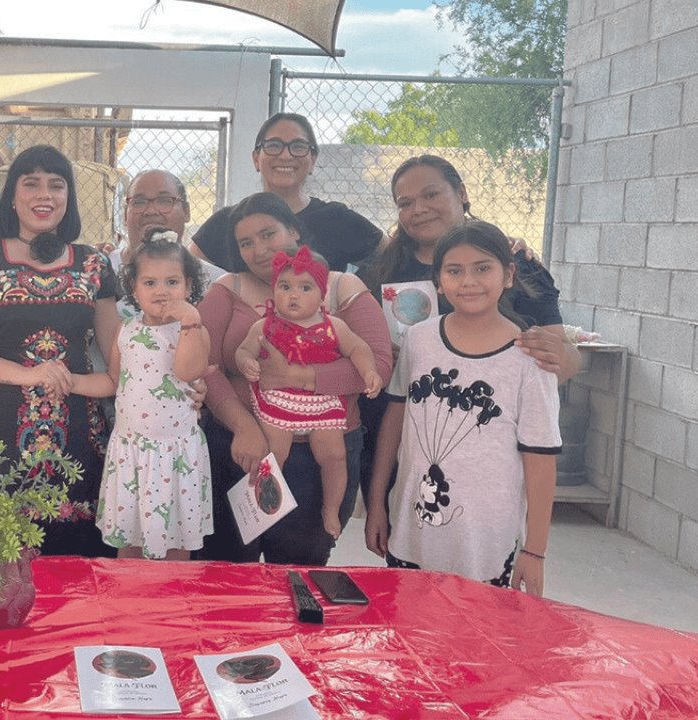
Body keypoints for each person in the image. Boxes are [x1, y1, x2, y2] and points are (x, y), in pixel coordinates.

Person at [357, 154, 579, 507]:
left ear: (460, 192)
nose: (419, 209)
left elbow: (562, 363)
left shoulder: (517, 264)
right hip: (404, 443)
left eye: (431, 195)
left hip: (488, 452)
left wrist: (562, 356)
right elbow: (348, 345)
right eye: (406, 203)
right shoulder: (380, 272)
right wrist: (379, 358)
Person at [364, 221, 560, 596]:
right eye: (455, 270)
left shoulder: (530, 359)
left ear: (508, 274)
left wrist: (535, 550)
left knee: (472, 643)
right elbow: (393, 425)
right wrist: (377, 503)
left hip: (485, 546)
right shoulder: (420, 340)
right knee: (409, 633)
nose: (468, 281)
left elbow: (540, 459)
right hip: (411, 532)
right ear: (438, 281)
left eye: (482, 268)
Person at [0, 144, 119, 558]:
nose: (45, 195)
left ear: (69, 198)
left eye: (57, 185)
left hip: (78, 439)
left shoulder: (93, 265)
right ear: (13, 196)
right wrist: (30, 374)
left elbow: (119, 352)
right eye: (32, 184)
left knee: (75, 579)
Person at [198, 192, 392, 565]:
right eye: (246, 243)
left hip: (321, 455)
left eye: (268, 234)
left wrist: (299, 376)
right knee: (228, 568)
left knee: (298, 573)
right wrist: (244, 427)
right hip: (242, 449)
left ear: (294, 231)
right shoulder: (228, 289)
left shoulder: (339, 288)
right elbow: (206, 366)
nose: (259, 249)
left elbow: (378, 365)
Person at [235, 246, 382, 539]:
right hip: (280, 397)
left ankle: (331, 508)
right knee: (275, 453)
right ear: (274, 289)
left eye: (305, 288)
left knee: (334, 456)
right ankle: (259, 507)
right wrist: (247, 362)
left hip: (322, 401)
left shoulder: (333, 326)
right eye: (285, 286)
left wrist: (369, 372)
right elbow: (243, 350)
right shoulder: (265, 325)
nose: (293, 295)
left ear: (322, 294)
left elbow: (359, 349)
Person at [80, 238, 212, 560]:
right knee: (130, 543)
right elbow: (113, 381)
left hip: (175, 455)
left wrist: (190, 319)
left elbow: (186, 371)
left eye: (172, 282)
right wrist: (70, 381)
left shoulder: (193, 329)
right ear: (134, 289)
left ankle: (173, 601)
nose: (161, 291)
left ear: (188, 285)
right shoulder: (125, 331)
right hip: (132, 453)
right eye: (149, 282)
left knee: (177, 542)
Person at [189, 113, 382, 273]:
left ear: (313, 159)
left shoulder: (338, 219)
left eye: (298, 147)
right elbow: (185, 272)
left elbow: (392, 257)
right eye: (274, 146)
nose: (285, 155)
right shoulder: (226, 221)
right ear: (256, 158)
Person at [112, 169, 225, 283]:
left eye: (164, 200)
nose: (151, 211)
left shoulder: (216, 284)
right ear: (125, 215)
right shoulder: (100, 272)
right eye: (139, 202)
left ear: (186, 211)